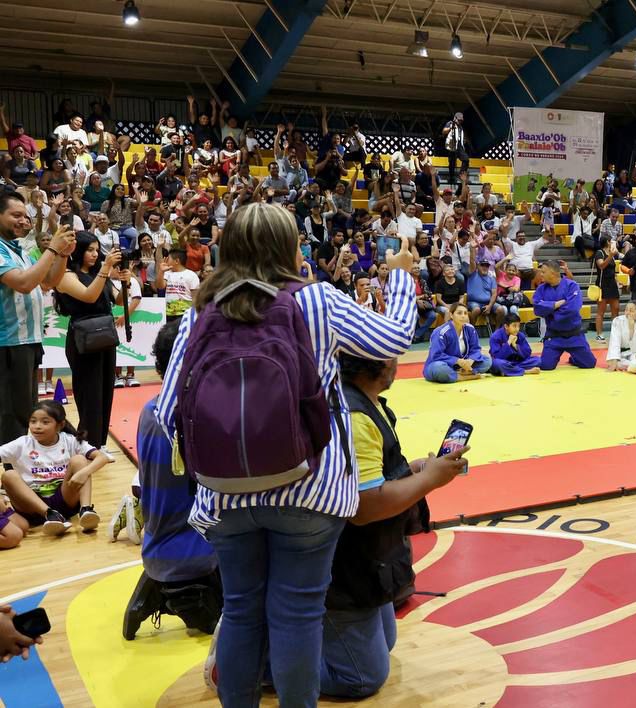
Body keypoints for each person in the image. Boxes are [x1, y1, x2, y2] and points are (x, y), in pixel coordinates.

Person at [155, 202, 418, 706]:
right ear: (290, 248)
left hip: (225, 497)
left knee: (240, 611)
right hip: (310, 490)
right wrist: (401, 277)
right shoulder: (316, 300)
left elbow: (169, 413)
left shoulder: (200, 312)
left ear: (229, 249)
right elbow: (394, 339)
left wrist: (224, 456)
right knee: (298, 615)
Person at [321, 353, 466, 698]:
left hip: (368, 552)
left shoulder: (368, 404)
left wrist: (412, 472)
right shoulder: (356, 416)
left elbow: (373, 476)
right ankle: (260, 659)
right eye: (392, 355)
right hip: (344, 561)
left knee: (384, 642)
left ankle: (290, 634)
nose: (397, 362)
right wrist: (428, 480)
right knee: (361, 678)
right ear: (379, 364)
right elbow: (365, 507)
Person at [123, 320, 221, 641]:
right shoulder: (200, 417)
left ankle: (163, 587)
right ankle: (184, 594)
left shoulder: (149, 411)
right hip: (198, 554)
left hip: (158, 545)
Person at [1, 194, 73, 444]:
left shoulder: (20, 251)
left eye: (25, 216)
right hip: (8, 343)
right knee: (11, 413)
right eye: (16, 215)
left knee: (25, 410)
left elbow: (48, 282)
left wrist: (62, 255)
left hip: (28, 340)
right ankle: (11, 465)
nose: (24, 221)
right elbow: (23, 283)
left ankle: (20, 462)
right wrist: (52, 248)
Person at [54, 232, 123, 448]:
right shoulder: (66, 275)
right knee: (89, 393)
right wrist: (106, 268)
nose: (95, 254)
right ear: (78, 251)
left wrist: (126, 283)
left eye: (97, 250)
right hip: (82, 338)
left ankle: (99, 443)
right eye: (89, 250)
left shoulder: (98, 274)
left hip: (105, 335)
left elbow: (118, 299)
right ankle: (88, 444)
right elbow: (89, 296)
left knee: (105, 391)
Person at [1, 400, 110, 536]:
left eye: (45, 422)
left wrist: (84, 472)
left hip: (65, 502)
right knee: (9, 475)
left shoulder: (70, 440)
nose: (37, 426)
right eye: (33, 421)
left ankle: (86, 510)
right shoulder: (22, 443)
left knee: (79, 460)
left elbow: (102, 457)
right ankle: (50, 514)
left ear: (60, 425)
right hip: (31, 507)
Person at [532, 260, 596, 371]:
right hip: (554, 335)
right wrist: (555, 304)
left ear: (552, 273)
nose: (540, 274)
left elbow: (573, 309)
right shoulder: (541, 289)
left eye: (543, 272)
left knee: (589, 364)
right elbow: (537, 309)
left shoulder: (572, 286)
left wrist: (550, 311)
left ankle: (574, 358)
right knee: (546, 366)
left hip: (574, 334)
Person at [424, 302, 492, 383]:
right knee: (439, 368)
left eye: (465, 313)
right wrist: (457, 360)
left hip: (461, 366)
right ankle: (465, 376)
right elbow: (436, 355)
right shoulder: (441, 332)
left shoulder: (470, 329)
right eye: (459, 313)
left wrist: (471, 360)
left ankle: (457, 374)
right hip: (441, 364)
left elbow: (476, 349)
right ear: (451, 315)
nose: (463, 316)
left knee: (487, 361)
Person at [605, 300, 636, 372]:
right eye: (626, 310)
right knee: (615, 363)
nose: (627, 313)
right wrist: (615, 359)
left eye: (631, 311)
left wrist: (632, 328)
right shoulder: (618, 321)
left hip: (633, 354)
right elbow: (614, 341)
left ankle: (631, 366)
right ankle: (628, 366)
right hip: (620, 354)